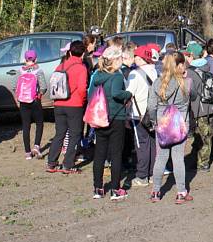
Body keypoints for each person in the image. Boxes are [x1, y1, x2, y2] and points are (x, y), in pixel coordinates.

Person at [148, 51, 194, 204]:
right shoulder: (187, 82)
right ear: (180, 65)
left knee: (160, 158)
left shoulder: (157, 82)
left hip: (162, 123)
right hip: (180, 124)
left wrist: (155, 121)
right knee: (178, 159)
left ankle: (155, 191)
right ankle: (181, 192)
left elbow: (151, 106)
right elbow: (192, 99)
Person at [89, 46, 133, 201]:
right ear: (114, 60)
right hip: (116, 117)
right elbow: (116, 93)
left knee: (99, 153)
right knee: (116, 154)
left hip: (100, 117)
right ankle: (115, 189)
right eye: (120, 58)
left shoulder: (97, 75)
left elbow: (91, 95)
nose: (122, 61)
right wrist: (128, 93)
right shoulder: (117, 76)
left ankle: (98, 188)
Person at [46, 41, 88, 174]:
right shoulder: (81, 68)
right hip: (74, 105)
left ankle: (51, 163)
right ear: (83, 54)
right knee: (75, 135)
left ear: (69, 52)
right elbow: (82, 89)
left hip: (58, 104)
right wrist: (83, 101)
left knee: (59, 134)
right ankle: (68, 164)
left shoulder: (60, 66)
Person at [185, 42, 213, 172]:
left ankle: (201, 163)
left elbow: (190, 92)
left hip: (198, 108)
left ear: (191, 55)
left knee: (199, 136)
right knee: (208, 135)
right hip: (211, 106)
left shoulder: (189, 71)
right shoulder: (209, 66)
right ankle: (203, 162)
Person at [125, 44, 158, 187]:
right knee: (152, 144)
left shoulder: (134, 74)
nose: (134, 59)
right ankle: (152, 174)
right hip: (153, 114)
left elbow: (128, 93)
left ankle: (142, 176)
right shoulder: (156, 71)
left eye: (136, 56)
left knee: (141, 145)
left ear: (142, 58)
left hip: (138, 115)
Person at [14, 50, 47, 160]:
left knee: (25, 126)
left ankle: (27, 152)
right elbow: (43, 87)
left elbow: (15, 87)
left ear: (25, 59)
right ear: (35, 59)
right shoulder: (38, 70)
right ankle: (36, 146)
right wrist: (40, 94)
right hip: (35, 101)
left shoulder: (20, 71)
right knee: (39, 123)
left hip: (23, 102)